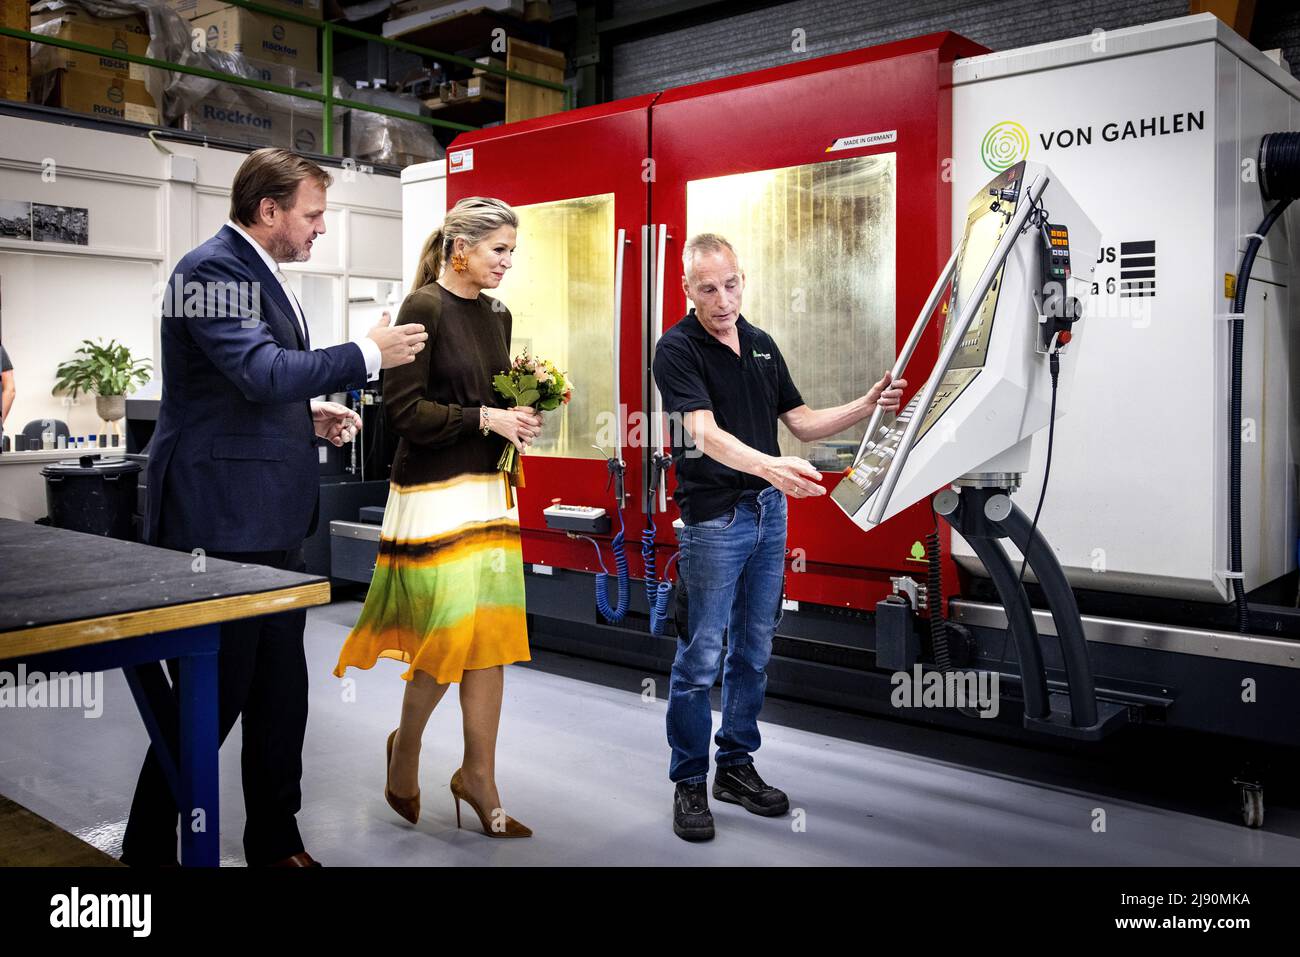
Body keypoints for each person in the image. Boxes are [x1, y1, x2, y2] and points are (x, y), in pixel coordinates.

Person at [123, 148, 428, 867]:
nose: (320, 228)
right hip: (221, 521)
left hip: (269, 520)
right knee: (215, 695)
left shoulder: (265, 275)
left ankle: (276, 839)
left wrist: (304, 415)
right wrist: (367, 352)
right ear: (270, 211)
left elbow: (254, 387)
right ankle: (145, 846)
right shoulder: (210, 271)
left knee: (279, 692)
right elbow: (259, 371)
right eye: (313, 214)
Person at [651, 232, 906, 842]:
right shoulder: (677, 350)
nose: (723, 299)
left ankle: (735, 766)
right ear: (687, 290)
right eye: (708, 288)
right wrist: (770, 466)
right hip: (714, 520)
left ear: (743, 278)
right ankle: (690, 779)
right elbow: (705, 435)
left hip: (768, 514)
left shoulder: (761, 346)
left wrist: (866, 405)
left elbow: (802, 423)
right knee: (700, 656)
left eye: (731, 284)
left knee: (755, 649)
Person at [334, 197, 541, 839]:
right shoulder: (423, 307)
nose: (508, 261)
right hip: (431, 495)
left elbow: (488, 393)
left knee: (491, 637)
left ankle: (479, 776)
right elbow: (402, 412)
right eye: (498, 250)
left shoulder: (499, 314)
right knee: (449, 634)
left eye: (511, 250)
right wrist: (483, 417)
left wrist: (523, 402)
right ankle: (407, 748)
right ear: (460, 249)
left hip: (487, 489)